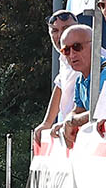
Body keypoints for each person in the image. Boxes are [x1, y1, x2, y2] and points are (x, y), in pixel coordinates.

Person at [33, 10, 83, 143]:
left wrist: (72, 121)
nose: (61, 35)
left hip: (88, 135)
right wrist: (47, 122)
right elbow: (60, 86)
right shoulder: (64, 58)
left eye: (66, 28)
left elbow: (95, 100)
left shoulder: (94, 57)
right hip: (71, 131)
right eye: (54, 31)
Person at [53, 24, 106, 147]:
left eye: (77, 47)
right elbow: (78, 110)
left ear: (95, 45)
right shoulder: (80, 80)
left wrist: (71, 121)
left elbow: (100, 112)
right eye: (66, 50)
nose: (72, 55)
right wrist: (66, 122)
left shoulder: (104, 73)